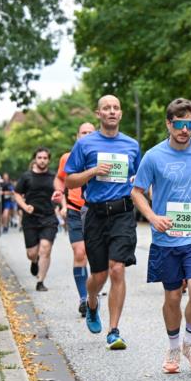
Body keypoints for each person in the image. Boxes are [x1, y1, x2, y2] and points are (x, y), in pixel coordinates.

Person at [132, 98, 191, 373]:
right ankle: (173, 347)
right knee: (172, 297)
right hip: (166, 240)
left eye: (190, 124)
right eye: (179, 124)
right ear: (168, 124)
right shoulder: (154, 156)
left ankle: (190, 342)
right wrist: (152, 217)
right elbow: (137, 191)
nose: (185, 130)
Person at [64, 95, 142, 350]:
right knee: (98, 274)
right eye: (106, 108)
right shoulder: (85, 145)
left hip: (122, 213)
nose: (112, 111)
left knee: (117, 268)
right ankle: (92, 300)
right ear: (98, 113)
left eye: (116, 108)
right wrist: (92, 172)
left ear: (121, 114)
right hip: (95, 214)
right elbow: (70, 181)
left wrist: (137, 185)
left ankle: (114, 330)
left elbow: (138, 179)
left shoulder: (131, 145)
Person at [55, 122, 97, 317]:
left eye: (91, 132)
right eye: (84, 132)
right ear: (77, 136)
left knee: (95, 256)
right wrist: (61, 200)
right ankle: (83, 299)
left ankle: (92, 295)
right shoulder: (67, 157)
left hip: (96, 210)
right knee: (80, 253)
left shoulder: (101, 155)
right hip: (74, 209)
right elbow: (60, 179)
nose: (87, 135)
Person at [13, 148, 58, 292]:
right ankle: (34, 261)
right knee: (31, 253)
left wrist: (61, 206)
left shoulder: (53, 176)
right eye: (40, 157)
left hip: (49, 217)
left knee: (46, 248)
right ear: (35, 159)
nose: (42, 160)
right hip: (30, 219)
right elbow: (17, 194)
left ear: (48, 160)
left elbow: (60, 192)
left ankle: (40, 281)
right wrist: (25, 207)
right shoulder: (27, 177)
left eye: (45, 158)